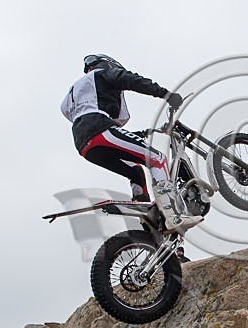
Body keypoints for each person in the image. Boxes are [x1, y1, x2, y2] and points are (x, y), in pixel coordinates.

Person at [61, 54, 202, 233]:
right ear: (108, 64)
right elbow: (130, 80)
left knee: (135, 170)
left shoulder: (74, 92)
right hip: (99, 129)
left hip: (85, 144)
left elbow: (77, 116)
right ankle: (172, 214)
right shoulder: (102, 73)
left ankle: (148, 221)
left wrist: (137, 135)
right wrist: (165, 94)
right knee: (157, 158)